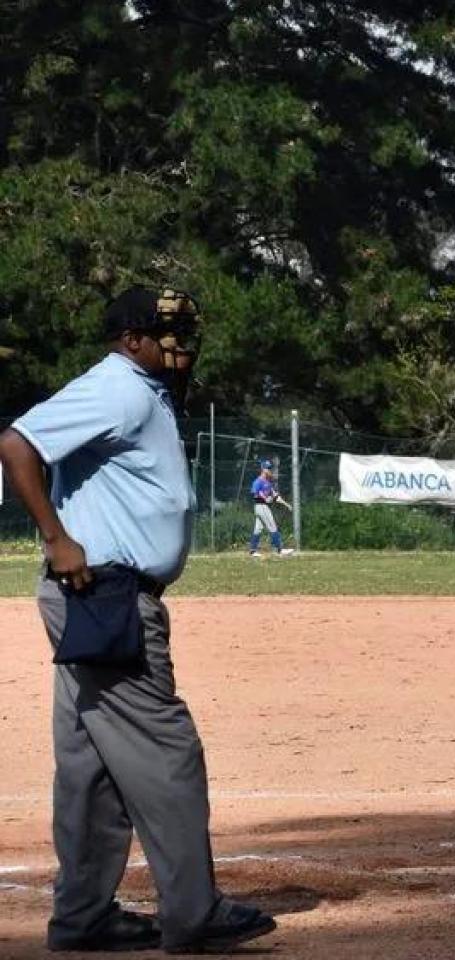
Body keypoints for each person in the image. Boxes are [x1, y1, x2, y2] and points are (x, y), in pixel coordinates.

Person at [0, 287, 277, 953]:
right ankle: (194, 912)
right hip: (105, 592)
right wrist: (55, 538)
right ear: (132, 339)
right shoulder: (117, 388)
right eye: (167, 332)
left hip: (97, 595)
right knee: (166, 750)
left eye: (184, 330)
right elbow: (17, 444)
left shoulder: (145, 392)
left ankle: (84, 916)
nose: (181, 344)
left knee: (91, 764)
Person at [247, 457, 296, 558]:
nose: (270, 470)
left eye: (270, 468)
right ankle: (280, 549)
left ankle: (253, 551)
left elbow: (275, 497)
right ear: (263, 469)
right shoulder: (258, 481)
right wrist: (265, 498)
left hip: (263, 507)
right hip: (261, 506)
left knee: (258, 529)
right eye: (268, 468)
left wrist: (286, 504)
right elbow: (255, 493)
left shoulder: (268, 483)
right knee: (272, 526)